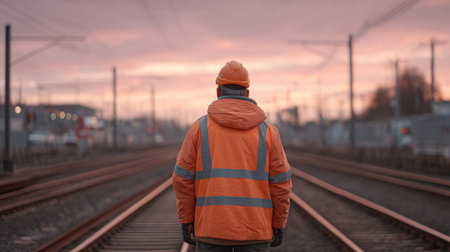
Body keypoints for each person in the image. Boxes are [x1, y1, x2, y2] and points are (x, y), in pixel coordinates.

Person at [172, 60, 292, 251]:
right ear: (247, 93)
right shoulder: (269, 132)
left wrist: (187, 219)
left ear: (218, 92)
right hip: (255, 230)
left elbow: (182, 179)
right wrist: (278, 223)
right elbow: (281, 184)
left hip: (212, 229)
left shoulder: (200, 128)